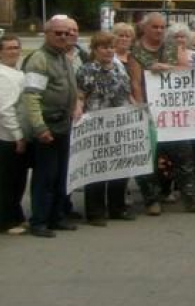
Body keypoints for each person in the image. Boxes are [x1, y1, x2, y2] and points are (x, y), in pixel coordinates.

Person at [127, 12, 195, 215]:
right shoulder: (136, 52)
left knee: (184, 155)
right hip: (150, 111)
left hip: (173, 112)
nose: (159, 31)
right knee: (149, 158)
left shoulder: (172, 48)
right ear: (145, 28)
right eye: (154, 27)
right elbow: (135, 83)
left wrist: (168, 68)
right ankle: (151, 200)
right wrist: (142, 110)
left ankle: (192, 199)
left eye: (161, 27)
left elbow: (186, 72)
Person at [22, 16, 79, 237]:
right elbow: (32, 96)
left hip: (64, 125)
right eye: (58, 33)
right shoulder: (39, 59)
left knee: (61, 175)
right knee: (45, 177)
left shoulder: (64, 57)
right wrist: (39, 127)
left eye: (67, 33)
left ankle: (57, 218)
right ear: (47, 34)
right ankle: (39, 222)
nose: (63, 36)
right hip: (47, 126)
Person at [76, 32, 135, 226]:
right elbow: (80, 96)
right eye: (103, 47)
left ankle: (117, 208)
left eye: (111, 47)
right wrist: (77, 110)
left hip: (119, 124)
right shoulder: (87, 70)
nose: (108, 51)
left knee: (119, 167)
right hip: (96, 126)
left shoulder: (119, 69)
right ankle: (95, 212)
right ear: (94, 50)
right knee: (97, 170)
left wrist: (137, 109)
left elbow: (127, 93)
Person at [0, 35, 28, 235]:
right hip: (8, 137)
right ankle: (6, 221)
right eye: (9, 48)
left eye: (16, 47)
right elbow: (5, 110)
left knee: (18, 180)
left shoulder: (15, 72)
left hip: (17, 134)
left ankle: (15, 216)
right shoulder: (3, 75)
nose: (14, 51)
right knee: (8, 181)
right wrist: (18, 135)